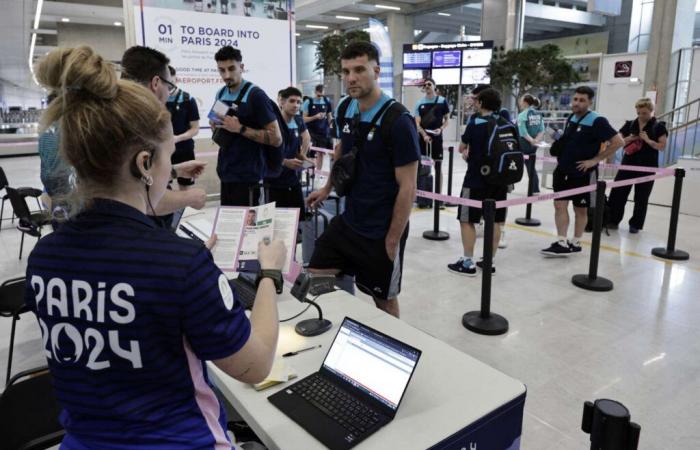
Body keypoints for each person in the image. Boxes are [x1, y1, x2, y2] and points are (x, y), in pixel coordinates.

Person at [27, 45, 287, 449]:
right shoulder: (180, 265)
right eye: (167, 158)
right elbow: (255, 366)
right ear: (145, 164)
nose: (171, 169)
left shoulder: (44, 259)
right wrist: (269, 271)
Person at [306, 41, 420, 318]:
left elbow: (408, 186)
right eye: (346, 71)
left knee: (384, 301)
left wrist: (392, 240)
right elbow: (341, 151)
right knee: (315, 273)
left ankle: (391, 346)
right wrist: (327, 187)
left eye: (359, 69)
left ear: (376, 70)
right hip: (350, 221)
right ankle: (336, 325)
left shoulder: (398, 120)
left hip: (382, 230)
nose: (351, 78)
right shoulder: (346, 108)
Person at [121, 46, 208, 217]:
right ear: (155, 83)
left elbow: (136, 178)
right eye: (168, 87)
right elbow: (141, 198)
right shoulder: (139, 124)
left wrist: (175, 171)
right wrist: (189, 197)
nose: (169, 95)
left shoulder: (111, 114)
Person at [541, 86, 623, 257]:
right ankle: (562, 242)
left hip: (583, 173)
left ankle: (576, 241)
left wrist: (594, 160)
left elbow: (618, 142)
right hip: (563, 170)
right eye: (575, 99)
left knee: (581, 209)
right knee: (559, 205)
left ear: (590, 102)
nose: (577, 103)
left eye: (582, 100)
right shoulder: (572, 117)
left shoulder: (597, 120)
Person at [447, 88, 510, 277]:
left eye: (476, 100)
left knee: (467, 219)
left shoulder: (476, 123)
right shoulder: (505, 123)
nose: (474, 102)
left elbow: (461, 148)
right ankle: (489, 261)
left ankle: (468, 262)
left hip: (476, 180)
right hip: (500, 180)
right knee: (496, 221)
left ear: (482, 103)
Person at [210, 46, 282, 206]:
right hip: (226, 172)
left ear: (241, 67)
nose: (226, 75)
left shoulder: (256, 96)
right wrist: (215, 124)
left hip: (249, 176)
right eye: (221, 70)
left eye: (231, 69)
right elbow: (215, 123)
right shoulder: (221, 93)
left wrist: (240, 128)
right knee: (229, 226)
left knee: (249, 228)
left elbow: (276, 139)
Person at [607, 98, 667, 233]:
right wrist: (631, 138)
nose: (641, 116)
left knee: (641, 197)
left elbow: (662, 146)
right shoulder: (629, 124)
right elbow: (618, 140)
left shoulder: (659, 127)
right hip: (628, 164)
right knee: (618, 193)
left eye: (644, 113)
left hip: (648, 166)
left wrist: (647, 140)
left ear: (651, 111)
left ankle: (635, 224)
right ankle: (612, 220)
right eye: (639, 112)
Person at [468, 84, 511, 248]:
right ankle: (481, 224)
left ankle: (501, 230)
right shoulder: (474, 117)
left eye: (476, 98)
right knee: (482, 198)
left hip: (502, 166)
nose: (474, 102)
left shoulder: (503, 114)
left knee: (499, 202)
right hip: (480, 166)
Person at [264, 86, 311, 218]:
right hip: (274, 181)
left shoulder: (298, 121)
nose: (296, 105)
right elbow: (264, 153)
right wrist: (284, 162)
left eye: (299, 102)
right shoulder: (273, 123)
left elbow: (305, 138)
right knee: (276, 221)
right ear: (282, 102)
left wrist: (303, 157)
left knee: (296, 219)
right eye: (292, 101)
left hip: (292, 179)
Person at [166, 66, 200, 189]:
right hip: (163, 151)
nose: (168, 84)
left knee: (185, 188)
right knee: (162, 188)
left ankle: (185, 209)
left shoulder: (188, 99)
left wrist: (178, 138)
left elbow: (195, 128)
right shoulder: (155, 99)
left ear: (176, 79)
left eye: (171, 80)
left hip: (184, 150)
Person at [414, 77, 450, 160]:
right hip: (423, 139)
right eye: (425, 85)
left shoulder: (442, 101)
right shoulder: (419, 103)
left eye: (429, 84)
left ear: (434, 86)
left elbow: (447, 120)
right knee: (423, 165)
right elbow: (417, 123)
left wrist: (441, 129)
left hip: (437, 138)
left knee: (438, 165)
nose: (427, 86)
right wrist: (424, 135)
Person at [517, 94, 545, 194]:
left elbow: (523, 133)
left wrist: (532, 141)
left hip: (524, 144)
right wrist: (536, 141)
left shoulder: (522, 115)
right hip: (534, 145)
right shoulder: (538, 114)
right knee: (530, 166)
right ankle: (535, 188)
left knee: (517, 164)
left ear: (525, 102)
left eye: (521, 100)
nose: (520, 102)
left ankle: (534, 188)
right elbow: (542, 130)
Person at [302, 84, 333, 173]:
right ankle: (308, 174)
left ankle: (318, 174)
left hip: (324, 132)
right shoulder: (308, 102)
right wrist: (315, 117)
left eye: (322, 95)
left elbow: (329, 117)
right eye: (318, 95)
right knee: (308, 154)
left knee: (321, 153)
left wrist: (331, 127)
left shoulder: (327, 101)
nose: (320, 97)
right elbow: (303, 119)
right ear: (315, 92)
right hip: (311, 132)